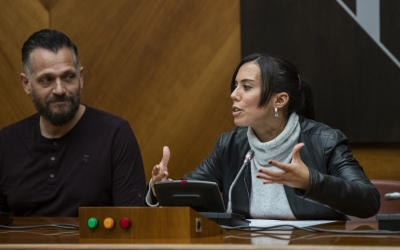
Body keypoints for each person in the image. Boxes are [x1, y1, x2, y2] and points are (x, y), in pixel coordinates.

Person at [147, 53, 380, 220]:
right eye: (235, 85)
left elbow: (368, 201)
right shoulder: (230, 145)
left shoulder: (325, 141)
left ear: (279, 100)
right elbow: (191, 194)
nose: (233, 94)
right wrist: (164, 190)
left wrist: (310, 181)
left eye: (246, 87)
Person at [0, 29, 146, 217]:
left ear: (81, 77)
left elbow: (132, 226)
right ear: (26, 84)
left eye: (68, 77)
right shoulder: (6, 142)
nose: (60, 89)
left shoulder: (115, 135)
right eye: (47, 80)